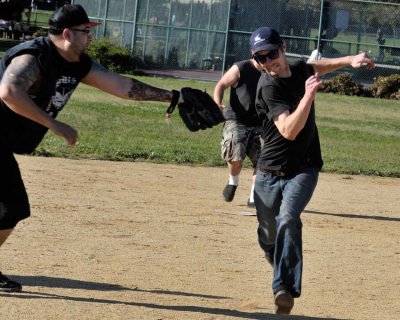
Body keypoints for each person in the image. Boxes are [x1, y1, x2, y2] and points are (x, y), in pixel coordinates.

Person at [0, 4, 185, 292]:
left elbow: (123, 85)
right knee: (10, 207)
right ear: (66, 34)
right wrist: (54, 124)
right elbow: (10, 92)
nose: (90, 38)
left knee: (10, 208)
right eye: (85, 32)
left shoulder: (77, 63)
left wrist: (174, 97)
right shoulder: (34, 57)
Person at [249, 27, 374, 315]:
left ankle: (284, 289)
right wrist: (308, 97)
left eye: (271, 52)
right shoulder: (269, 87)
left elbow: (314, 66)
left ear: (282, 47)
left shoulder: (297, 69)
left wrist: (351, 58)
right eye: (261, 58)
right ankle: (276, 255)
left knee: (288, 219)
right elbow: (288, 131)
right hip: (268, 173)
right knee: (269, 234)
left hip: (303, 169)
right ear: (256, 61)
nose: (269, 61)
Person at [213, 58, 263, 207]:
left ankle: (254, 195)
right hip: (236, 118)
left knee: (265, 159)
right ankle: (232, 182)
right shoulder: (241, 68)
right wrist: (217, 103)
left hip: (260, 122)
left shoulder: (273, 71)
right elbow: (221, 85)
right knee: (236, 155)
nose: (265, 59)